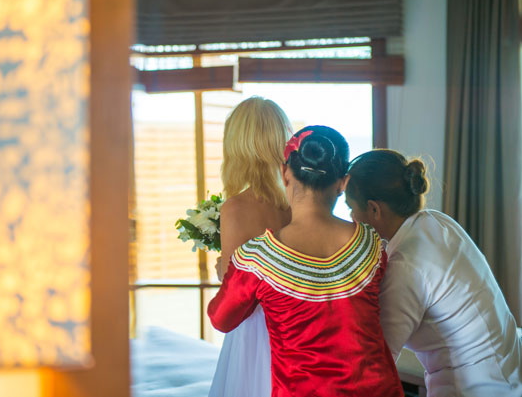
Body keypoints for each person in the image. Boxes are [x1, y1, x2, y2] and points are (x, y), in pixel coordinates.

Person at [209, 126, 404, 397]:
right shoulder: (371, 245)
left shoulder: (256, 259)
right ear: (343, 183)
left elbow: (221, 319)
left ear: (284, 173)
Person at [345, 149, 522, 397]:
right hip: (507, 371)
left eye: (351, 208)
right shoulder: (438, 222)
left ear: (374, 209)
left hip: (475, 389)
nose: (351, 218)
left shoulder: (406, 266)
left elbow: (378, 362)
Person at [208, 96, 292, 397]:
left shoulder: (236, 208)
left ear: (236, 143)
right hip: (296, 329)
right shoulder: (297, 202)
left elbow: (236, 293)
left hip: (256, 331)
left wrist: (221, 268)